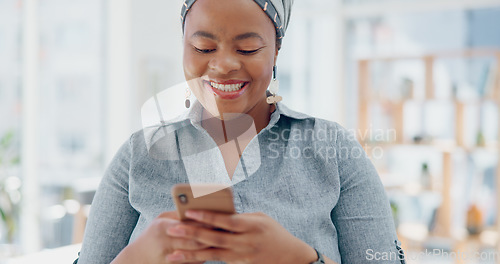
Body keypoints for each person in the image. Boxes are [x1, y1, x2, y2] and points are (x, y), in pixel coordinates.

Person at [75, 0, 405, 263]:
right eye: (204, 48)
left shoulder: (332, 151)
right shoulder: (138, 155)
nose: (223, 65)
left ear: (276, 49)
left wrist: (301, 259)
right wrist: (135, 260)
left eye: (246, 49)